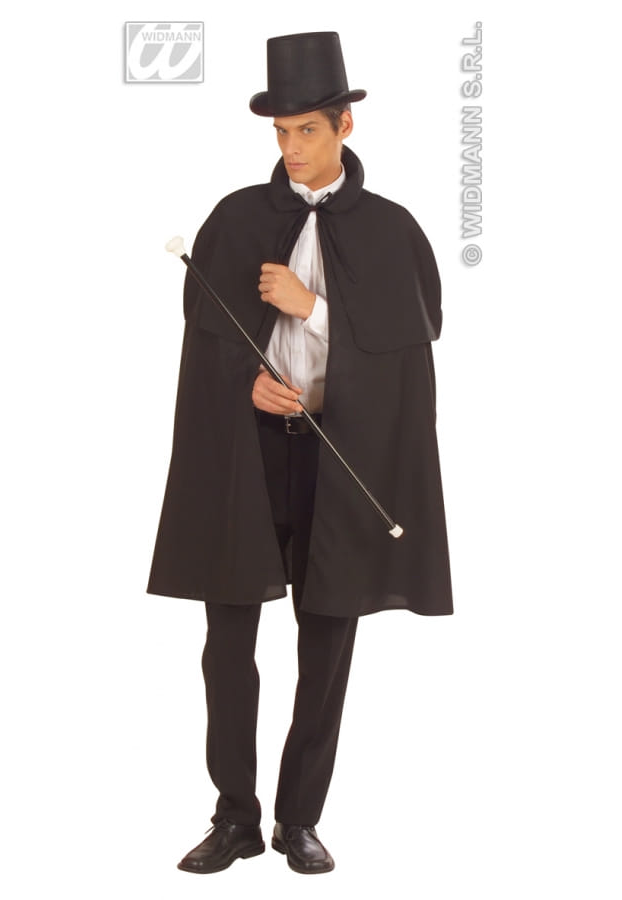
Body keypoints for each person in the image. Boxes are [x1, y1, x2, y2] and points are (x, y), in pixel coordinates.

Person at [146, 31, 453, 875]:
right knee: (227, 644)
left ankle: (299, 820)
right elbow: (206, 341)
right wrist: (246, 381)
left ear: (344, 126)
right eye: (280, 132)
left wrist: (310, 306)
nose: (291, 148)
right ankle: (234, 817)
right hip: (248, 457)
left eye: (307, 130)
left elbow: (407, 344)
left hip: (336, 459)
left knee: (326, 645)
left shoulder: (391, 230)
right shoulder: (237, 217)